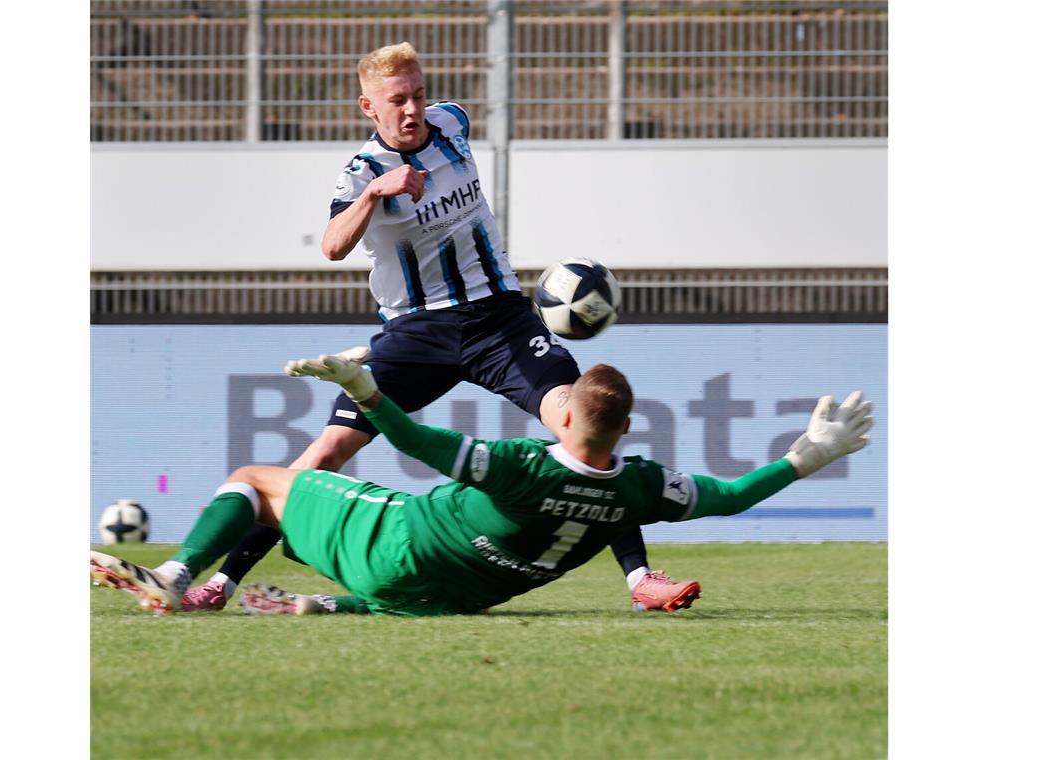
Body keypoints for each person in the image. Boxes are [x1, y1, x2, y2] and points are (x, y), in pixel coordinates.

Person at [178, 41, 686, 613]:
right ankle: (222, 584)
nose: (413, 109)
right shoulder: (362, 173)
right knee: (322, 456)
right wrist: (376, 192)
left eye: (418, 93)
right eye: (397, 100)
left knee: (580, 422)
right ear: (369, 108)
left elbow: (443, 122)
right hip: (418, 333)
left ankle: (641, 579)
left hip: (500, 320)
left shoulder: (453, 123)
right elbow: (331, 245)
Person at [91, 348, 873, 617]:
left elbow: (413, 436)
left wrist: (362, 388)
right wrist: (807, 455)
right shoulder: (639, 487)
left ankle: (175, 574)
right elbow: (732, 495)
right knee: (395, 548)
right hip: (461, 595)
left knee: (259, 480)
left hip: (399, 545)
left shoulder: (519, 466)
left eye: (560, 403)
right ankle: (327, 603)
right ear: (625, 431)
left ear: (565, 422)